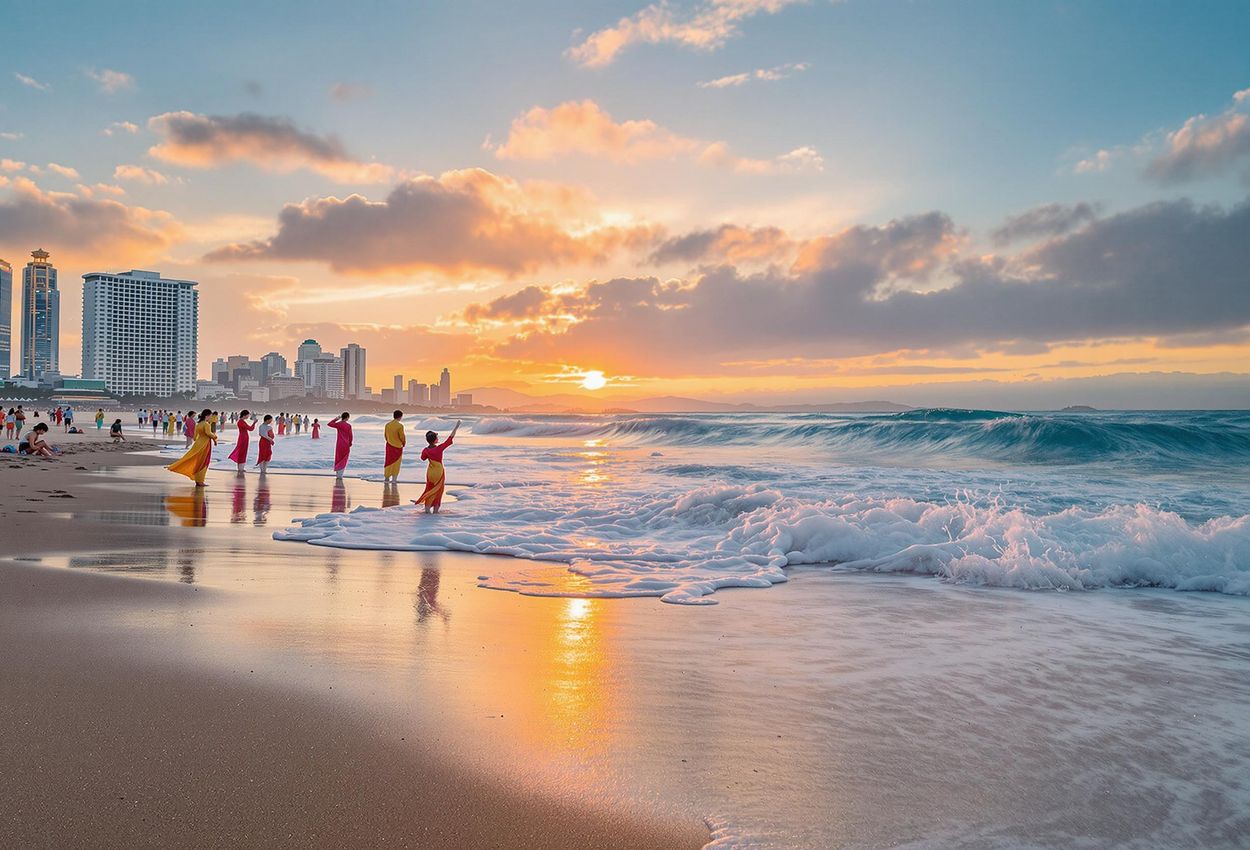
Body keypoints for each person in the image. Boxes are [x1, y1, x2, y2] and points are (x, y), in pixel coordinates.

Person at [413, 420, 460, 514]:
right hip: (439, 472)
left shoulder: (425, 450)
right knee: (439, 490)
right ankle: (435, 510)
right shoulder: (439, 448)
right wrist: (456, 427)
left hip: (430, 472)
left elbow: (422, 458)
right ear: (435, 439)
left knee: (429, 488)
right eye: (437, 437)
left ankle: (427, 509)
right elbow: (450, 438)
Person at [167, 409, 218, 487]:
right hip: (204, 444)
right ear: (206, 416)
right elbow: (208, 433)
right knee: (203, 462)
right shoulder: (206, 424)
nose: (210, 417)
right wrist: (215, 437)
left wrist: (199, 440)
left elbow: (194, 437)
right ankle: (200, 481)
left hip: (198, 444)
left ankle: (198, 481)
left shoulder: (199, 424)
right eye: (210, 416)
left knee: (198, 462)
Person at [326, 412, 352, 478]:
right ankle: (341, 475)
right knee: (344, 459)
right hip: (346, 444)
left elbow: (329, 424)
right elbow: (350, 436)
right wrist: (350, 443)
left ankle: (338, 475)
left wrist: (336, 419)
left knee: (338, 458)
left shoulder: (339, 424)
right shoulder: (348, 426)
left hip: (339, 444)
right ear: (347, 417)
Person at [383, 410, 406, 482]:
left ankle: (386, 478)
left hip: (389, 445)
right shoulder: (400, 426)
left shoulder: (387, 424)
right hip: (398, 446)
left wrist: (389, 441)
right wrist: (404, 443)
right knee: (396, 463)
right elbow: (402, 437)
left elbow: (385, 436)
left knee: (388, 461)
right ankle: (394, 479)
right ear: (400, 416)